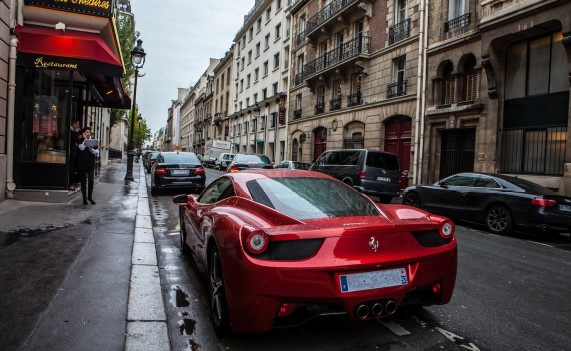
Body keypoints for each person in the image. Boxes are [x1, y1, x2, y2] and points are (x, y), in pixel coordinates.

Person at [77, 127, 99, 205]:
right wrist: (85, 141)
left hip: (90, 164)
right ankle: (84, 199)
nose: (88, 133)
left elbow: (97, 152)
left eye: (89, 132)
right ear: (83, 133)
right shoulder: (80, 140)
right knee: (83, 182)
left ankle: (89, 197)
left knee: (91, 180)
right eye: (86, 132)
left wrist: (91, 150)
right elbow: (81, 148)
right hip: (82, 163)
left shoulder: (93, 141)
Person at [69, 120, 80, 190]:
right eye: (77, 124)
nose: (78, 126)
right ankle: (69, 184)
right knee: (71, 169)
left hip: (73, 153)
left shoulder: (73, 131)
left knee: (73, 169)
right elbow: (74, 140)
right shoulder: (71, 131)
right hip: (71, 153)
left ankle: (73, 183)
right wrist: (76, 132)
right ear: (73, 123)